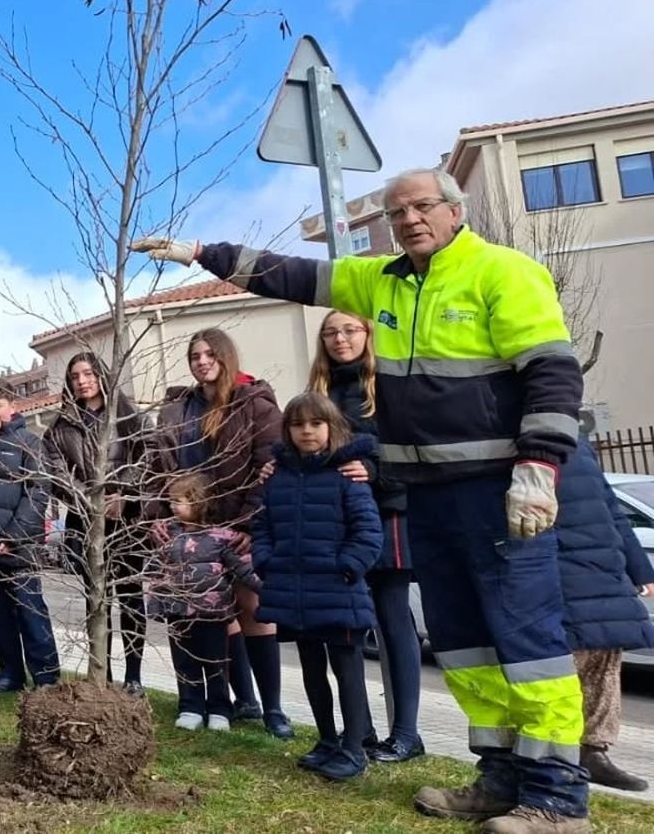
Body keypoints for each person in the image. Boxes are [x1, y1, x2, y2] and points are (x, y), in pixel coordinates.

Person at [135, 167, 590, 832]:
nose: (409, 219)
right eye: (396, 210)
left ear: (454, 211)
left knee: (526, 642)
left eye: (422, 206)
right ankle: (500, 777)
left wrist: (539, 466)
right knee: (464, 645)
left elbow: (552, 373)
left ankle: (555, 797)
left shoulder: (504, 271)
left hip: (494, 488)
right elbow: (288, 274)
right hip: (422, 496)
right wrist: (203, 253)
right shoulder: (377, 280)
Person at [148, 331, 288, 739]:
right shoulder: (180, 407)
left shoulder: (254, 402)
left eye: (210, 354)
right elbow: (159, 465)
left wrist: (249, 521)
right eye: (195, 355)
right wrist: (158, 516)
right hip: (188, 527)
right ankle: (239, 700)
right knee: (210, 616)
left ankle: (274, 708)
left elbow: (270, 462)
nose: (202, 361)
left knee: (253, 609)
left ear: (226, 356)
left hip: (236, 524)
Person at [307, 311, 424, 762]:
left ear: (367, 334)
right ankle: (363, 731)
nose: (340, 339)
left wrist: (375, 471)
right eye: (331, 332)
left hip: (388, 513)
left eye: (349, 330)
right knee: (350, 625)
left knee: (394, 622)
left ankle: (407, 733)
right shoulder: (319, 391)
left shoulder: (390, 384)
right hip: (339, 520)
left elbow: (414, 447)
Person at [253, 393, 382, 782]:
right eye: (297, 425)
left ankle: (355, 748)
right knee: (311, 667)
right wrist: (266, 561)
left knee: (348, 670)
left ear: (331, 428)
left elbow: (368, 531)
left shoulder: (346, 474)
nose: (306, 431)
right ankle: (326, 740)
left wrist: (348, 569)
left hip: (339, 591)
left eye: (315, 424)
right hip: (294, 590)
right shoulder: (277, 478)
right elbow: (262, 526)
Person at [42, 351, 150, 693]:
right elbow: (56, 472)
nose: (82, 381)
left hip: (125, 519)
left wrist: (124, 493)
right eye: (75, 376)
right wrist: (90, 501)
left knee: (131, 597)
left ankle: (134, 676)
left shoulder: (129, 415)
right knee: (96, 600)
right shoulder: (60, 427)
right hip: (85, 520)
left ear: (101, 375)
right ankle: (100, 675)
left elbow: (148, 455)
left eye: (88, 373)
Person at [552, 434, 654, 792]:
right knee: (563, 668)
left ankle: (594, 750)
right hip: (558, 570)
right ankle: (551, 757)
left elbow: (611, 509)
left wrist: (640, 569)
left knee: (605, 659)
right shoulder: (521, 439)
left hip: (603, 570)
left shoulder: (578, 443)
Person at [0, 380, 61, 693]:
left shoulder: (28, 442)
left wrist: (15, 536)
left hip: (18, 548)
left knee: (30, 611)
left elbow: (38, 492)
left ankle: (46, 677)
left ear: (12, 407)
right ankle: (10, 674)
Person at [146, 473, 259, 734]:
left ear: (200, 502)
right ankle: (190, 706)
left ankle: (220, 709)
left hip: (213, 613)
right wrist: (155, 602)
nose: (173, 506)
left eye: (180, 501)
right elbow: (155, 570)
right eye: (171, 501)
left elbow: (241, 569)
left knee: (216, 662)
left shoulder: (221, 538)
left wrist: (266, 589)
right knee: (184, 662)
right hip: (178, 612)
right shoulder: (166, 536)